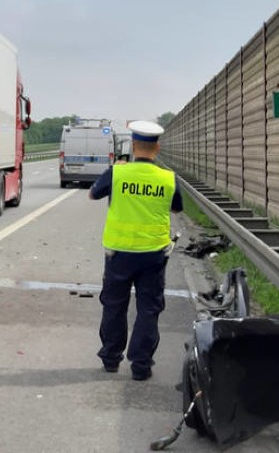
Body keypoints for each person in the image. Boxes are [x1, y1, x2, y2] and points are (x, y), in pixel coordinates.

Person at [88, 120, 183, 381]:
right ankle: (141, 366)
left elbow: (92, 195)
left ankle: (110, 359)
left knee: (114, 306)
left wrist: (115, 172)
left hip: (119, 254)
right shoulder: (168, 178)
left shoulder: (117, 173)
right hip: (153, 255)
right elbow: (176, 209)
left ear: (132, 145)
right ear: (158, 148)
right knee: (148, 309)